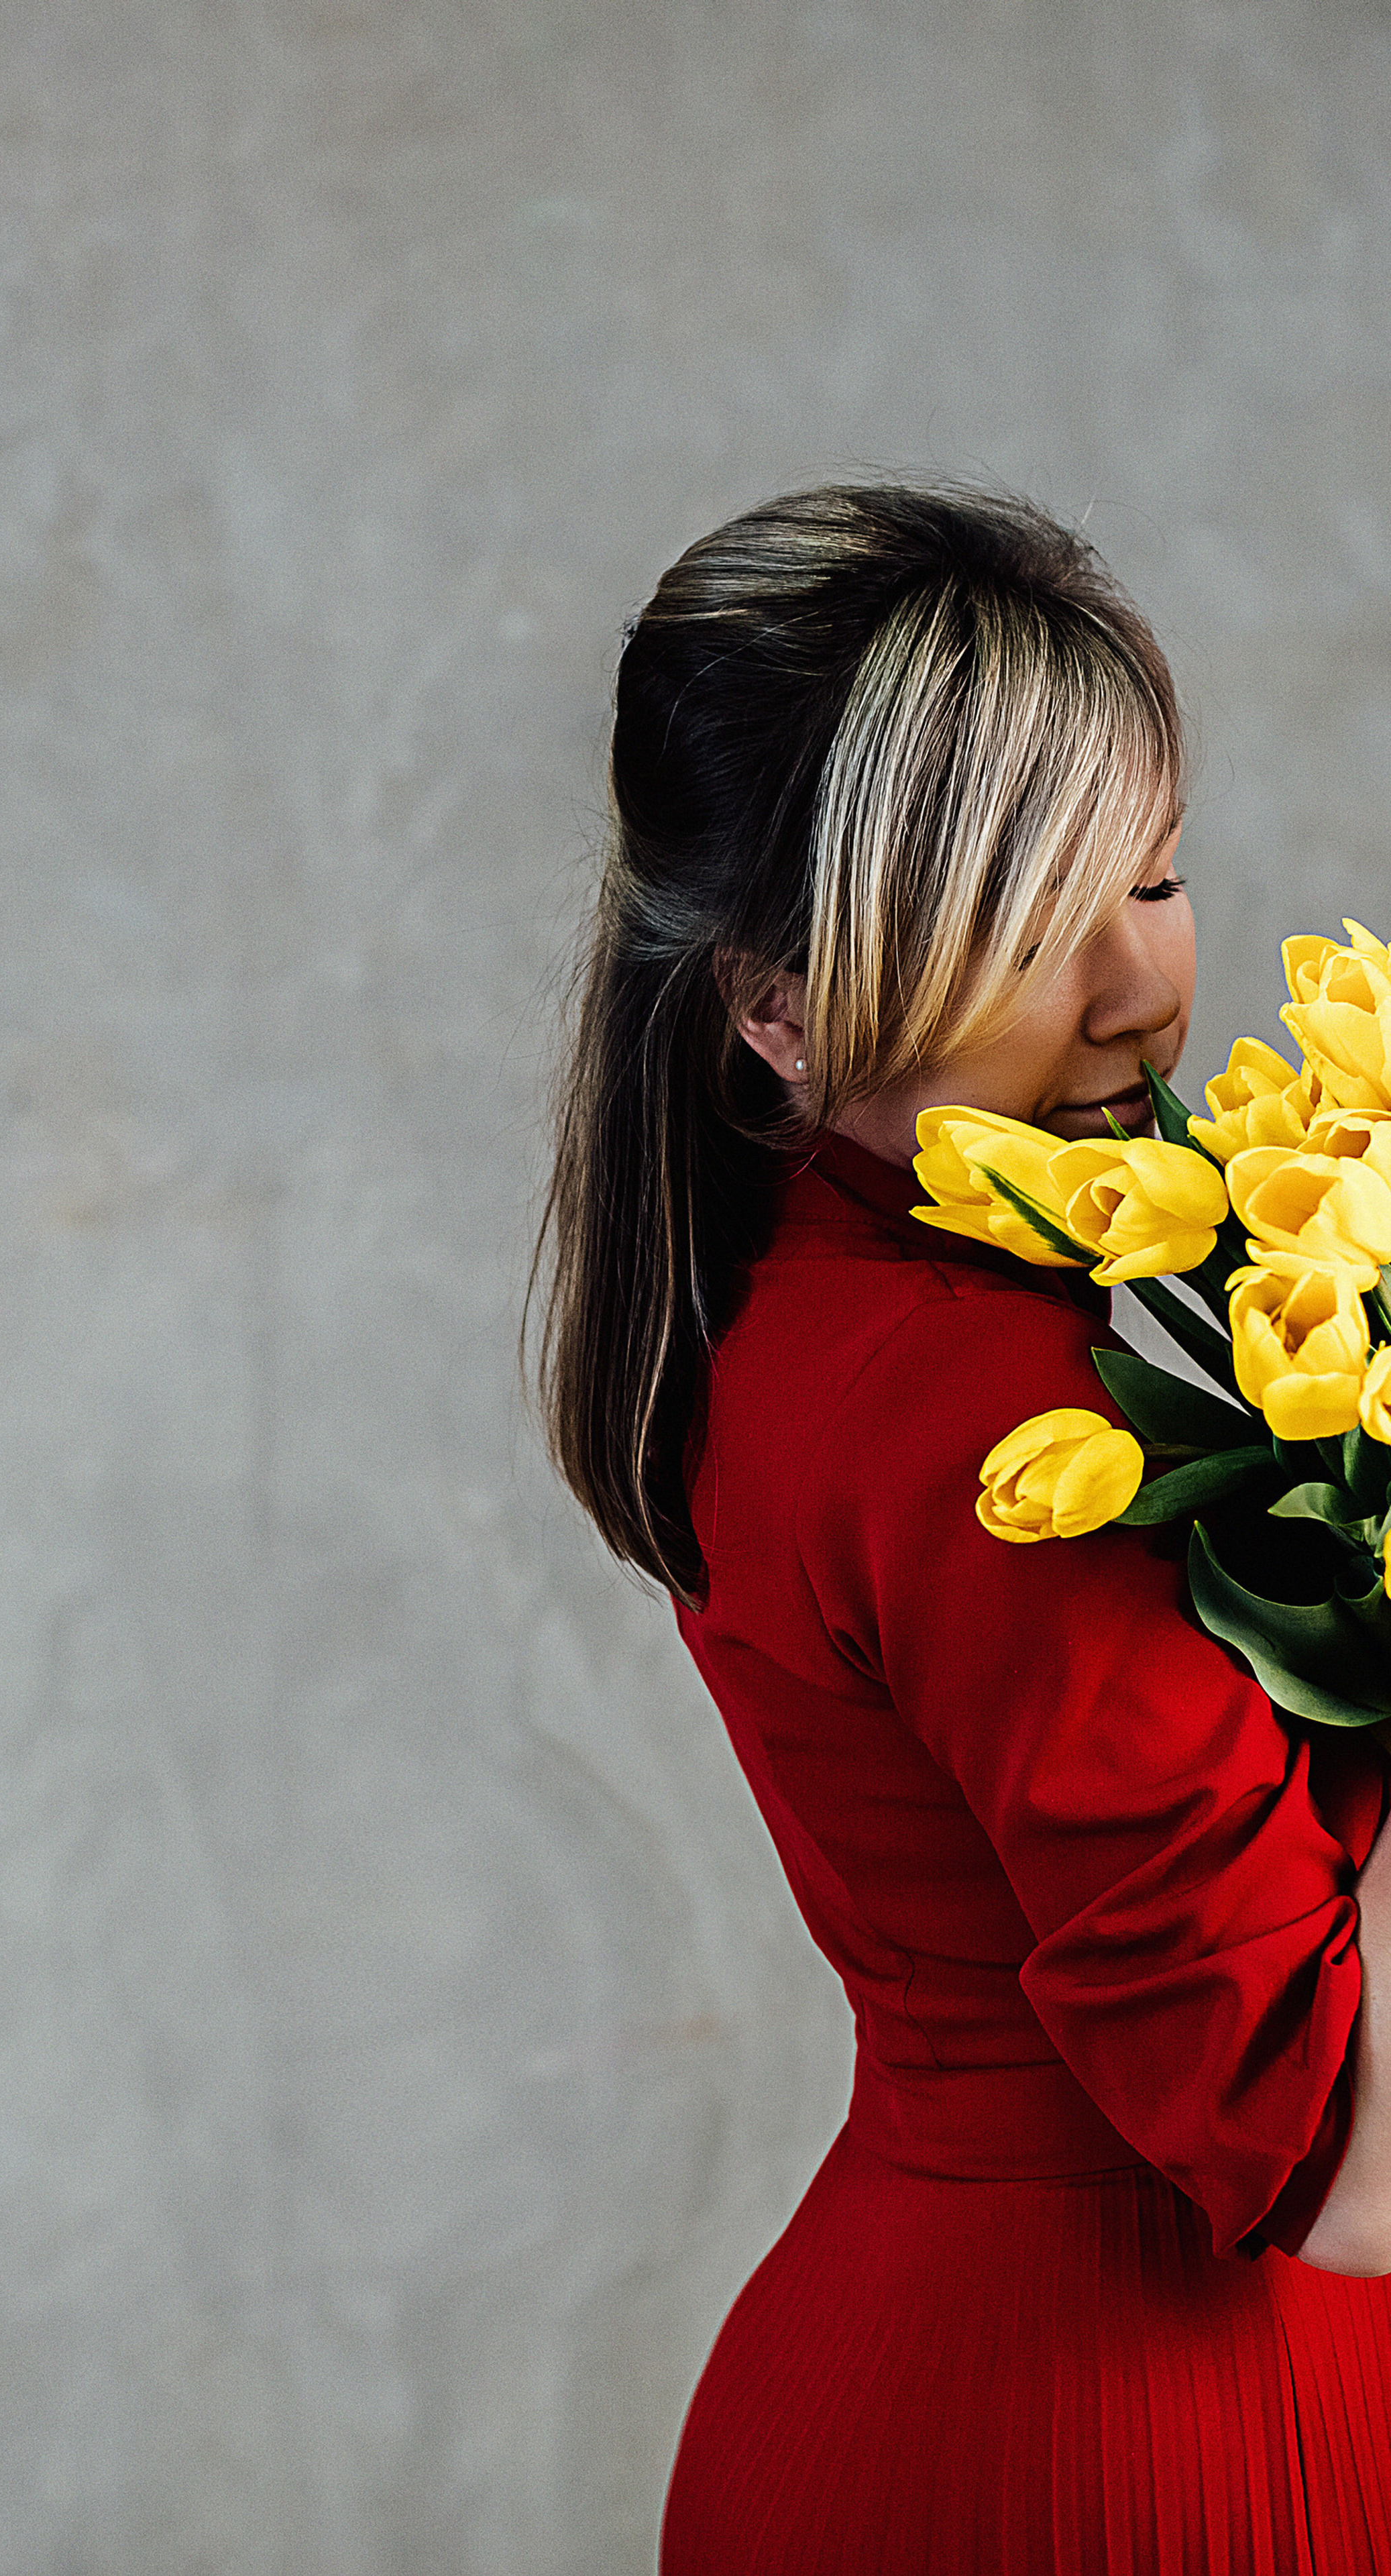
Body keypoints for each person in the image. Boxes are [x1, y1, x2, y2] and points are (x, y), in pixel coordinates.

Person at [533, 483, 1391, 2572]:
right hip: (1123, 2453)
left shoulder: (847, 1313)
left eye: (1158, 879)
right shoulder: (984, 1415)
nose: (1134, 998)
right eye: (1024, 926)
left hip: (939, 2395)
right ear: (779, 1008)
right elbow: (1345, 2164)